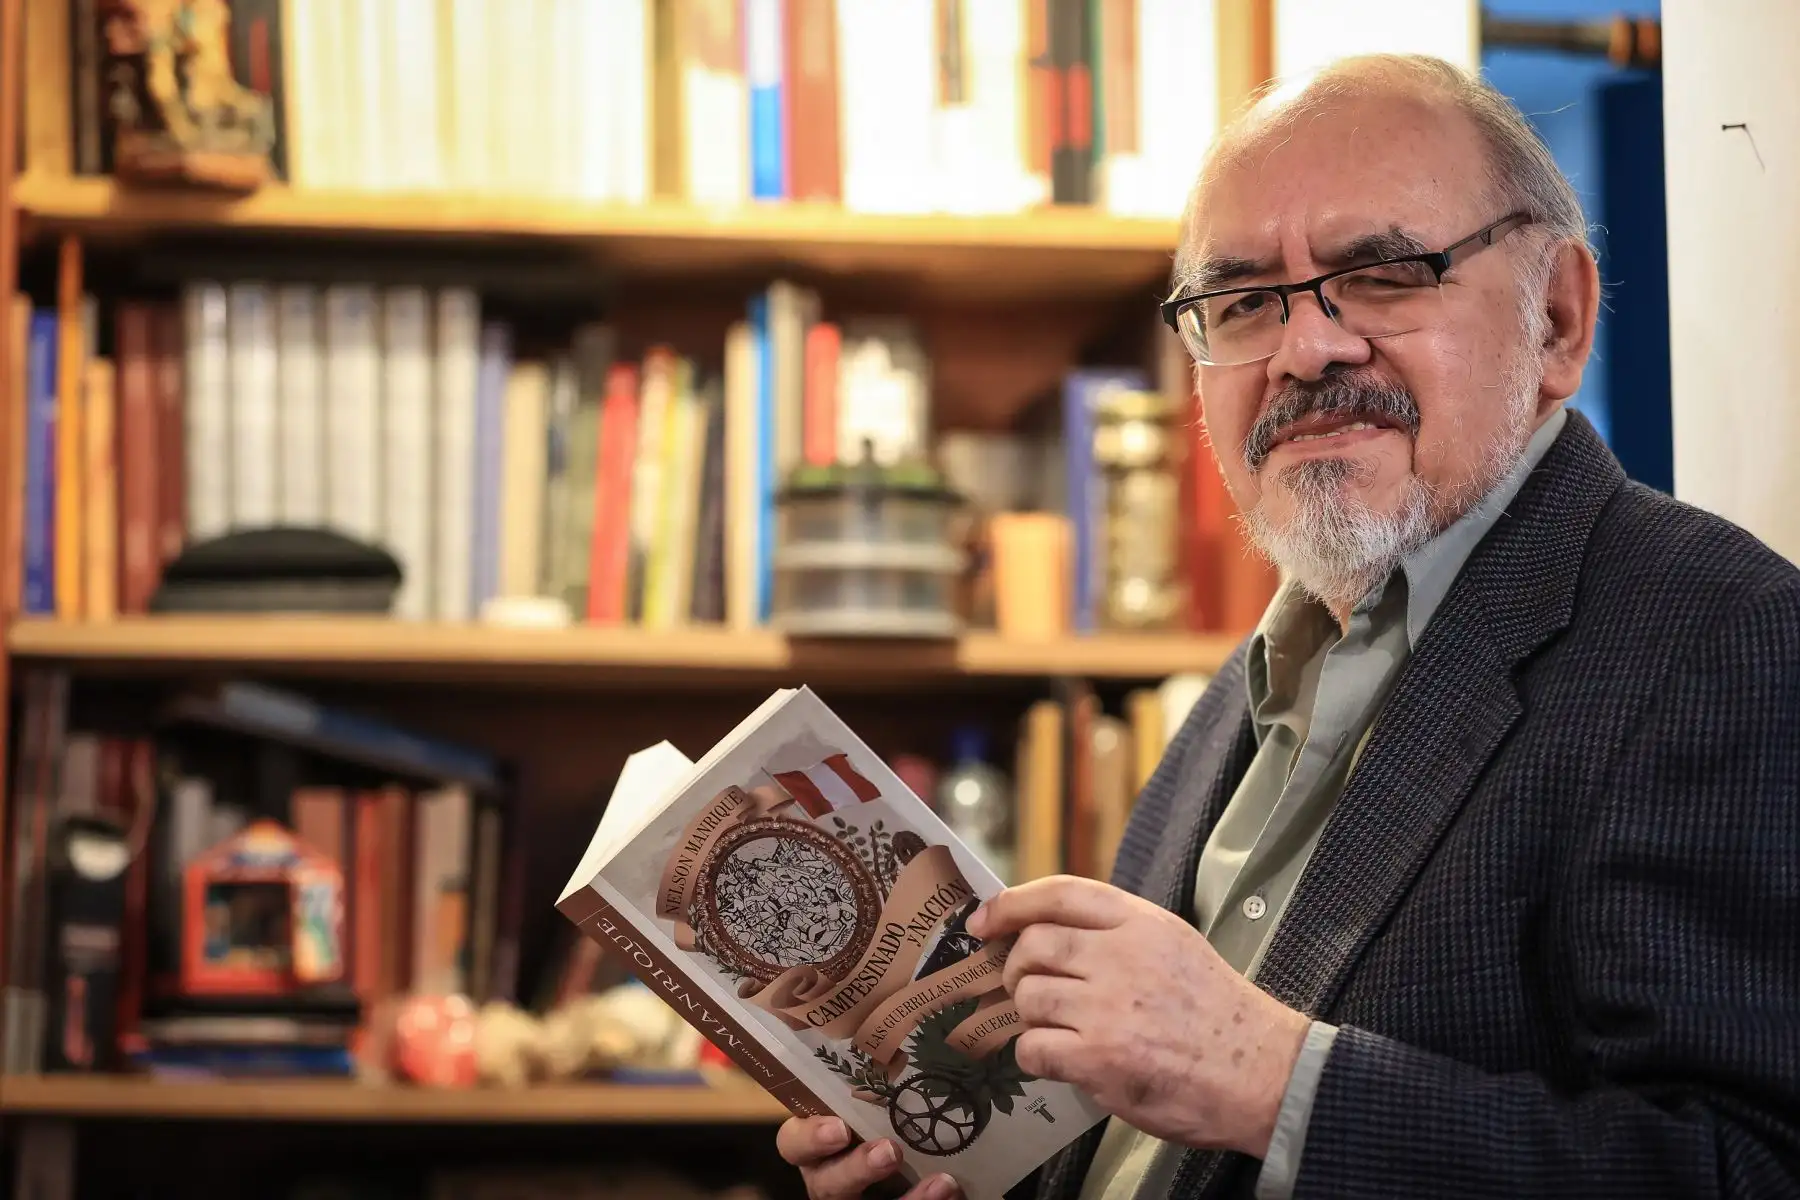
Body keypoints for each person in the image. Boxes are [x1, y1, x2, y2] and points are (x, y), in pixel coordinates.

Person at [777, 52, 1800, 1200]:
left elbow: (1752, 1170)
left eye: (1385, 274)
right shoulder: (1239, 699)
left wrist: (1273, 1079)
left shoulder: (1721, 641)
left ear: (1557, 318)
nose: (1307, 351)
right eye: (1244, 302)